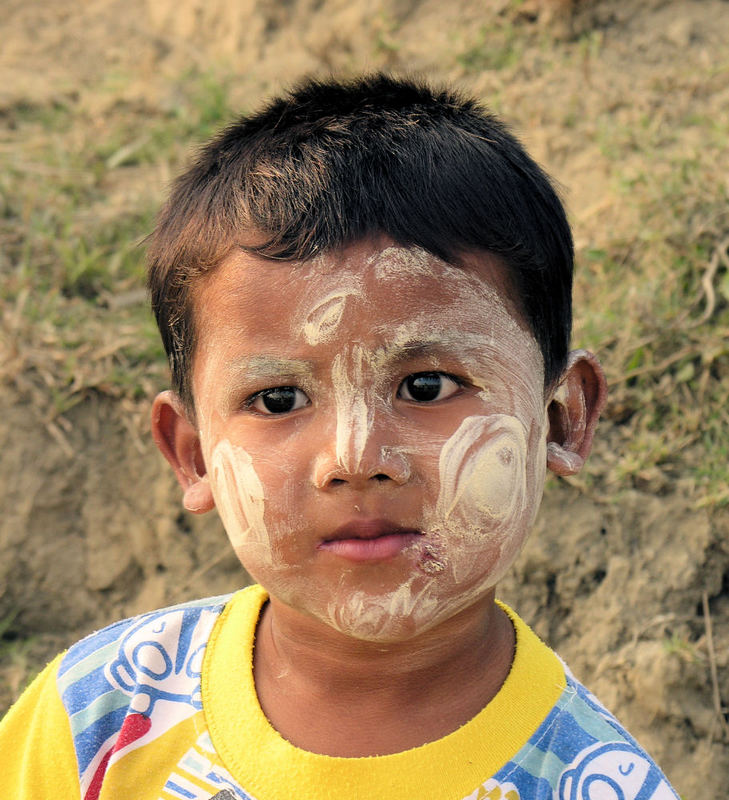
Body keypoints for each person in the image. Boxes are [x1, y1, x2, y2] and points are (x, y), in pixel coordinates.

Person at [0, 74, 679, 800]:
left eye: (426, 386)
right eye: (278, 399)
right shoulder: (99, 717)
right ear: (193, 453)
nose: (355, 459)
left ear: (560, 417)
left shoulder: (597, 785)